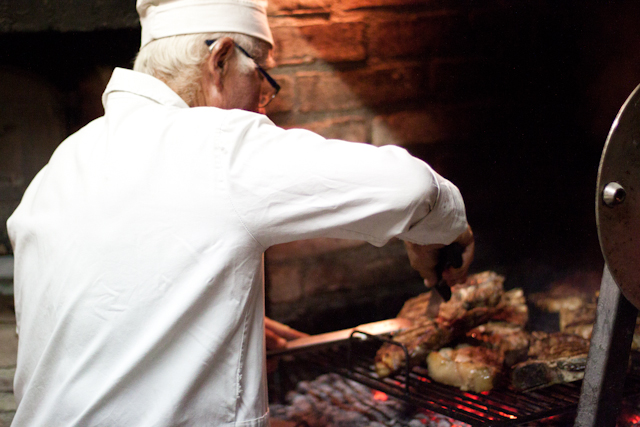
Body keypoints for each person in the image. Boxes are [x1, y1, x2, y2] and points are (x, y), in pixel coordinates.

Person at [6, 0, 474, 425]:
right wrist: (436, 234)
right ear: (221, 60)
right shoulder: (216, 143)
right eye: (265, 80)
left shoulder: (64, 163)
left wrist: (215, 322)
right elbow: (411, 188)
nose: (263, 103)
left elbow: (98, 307)